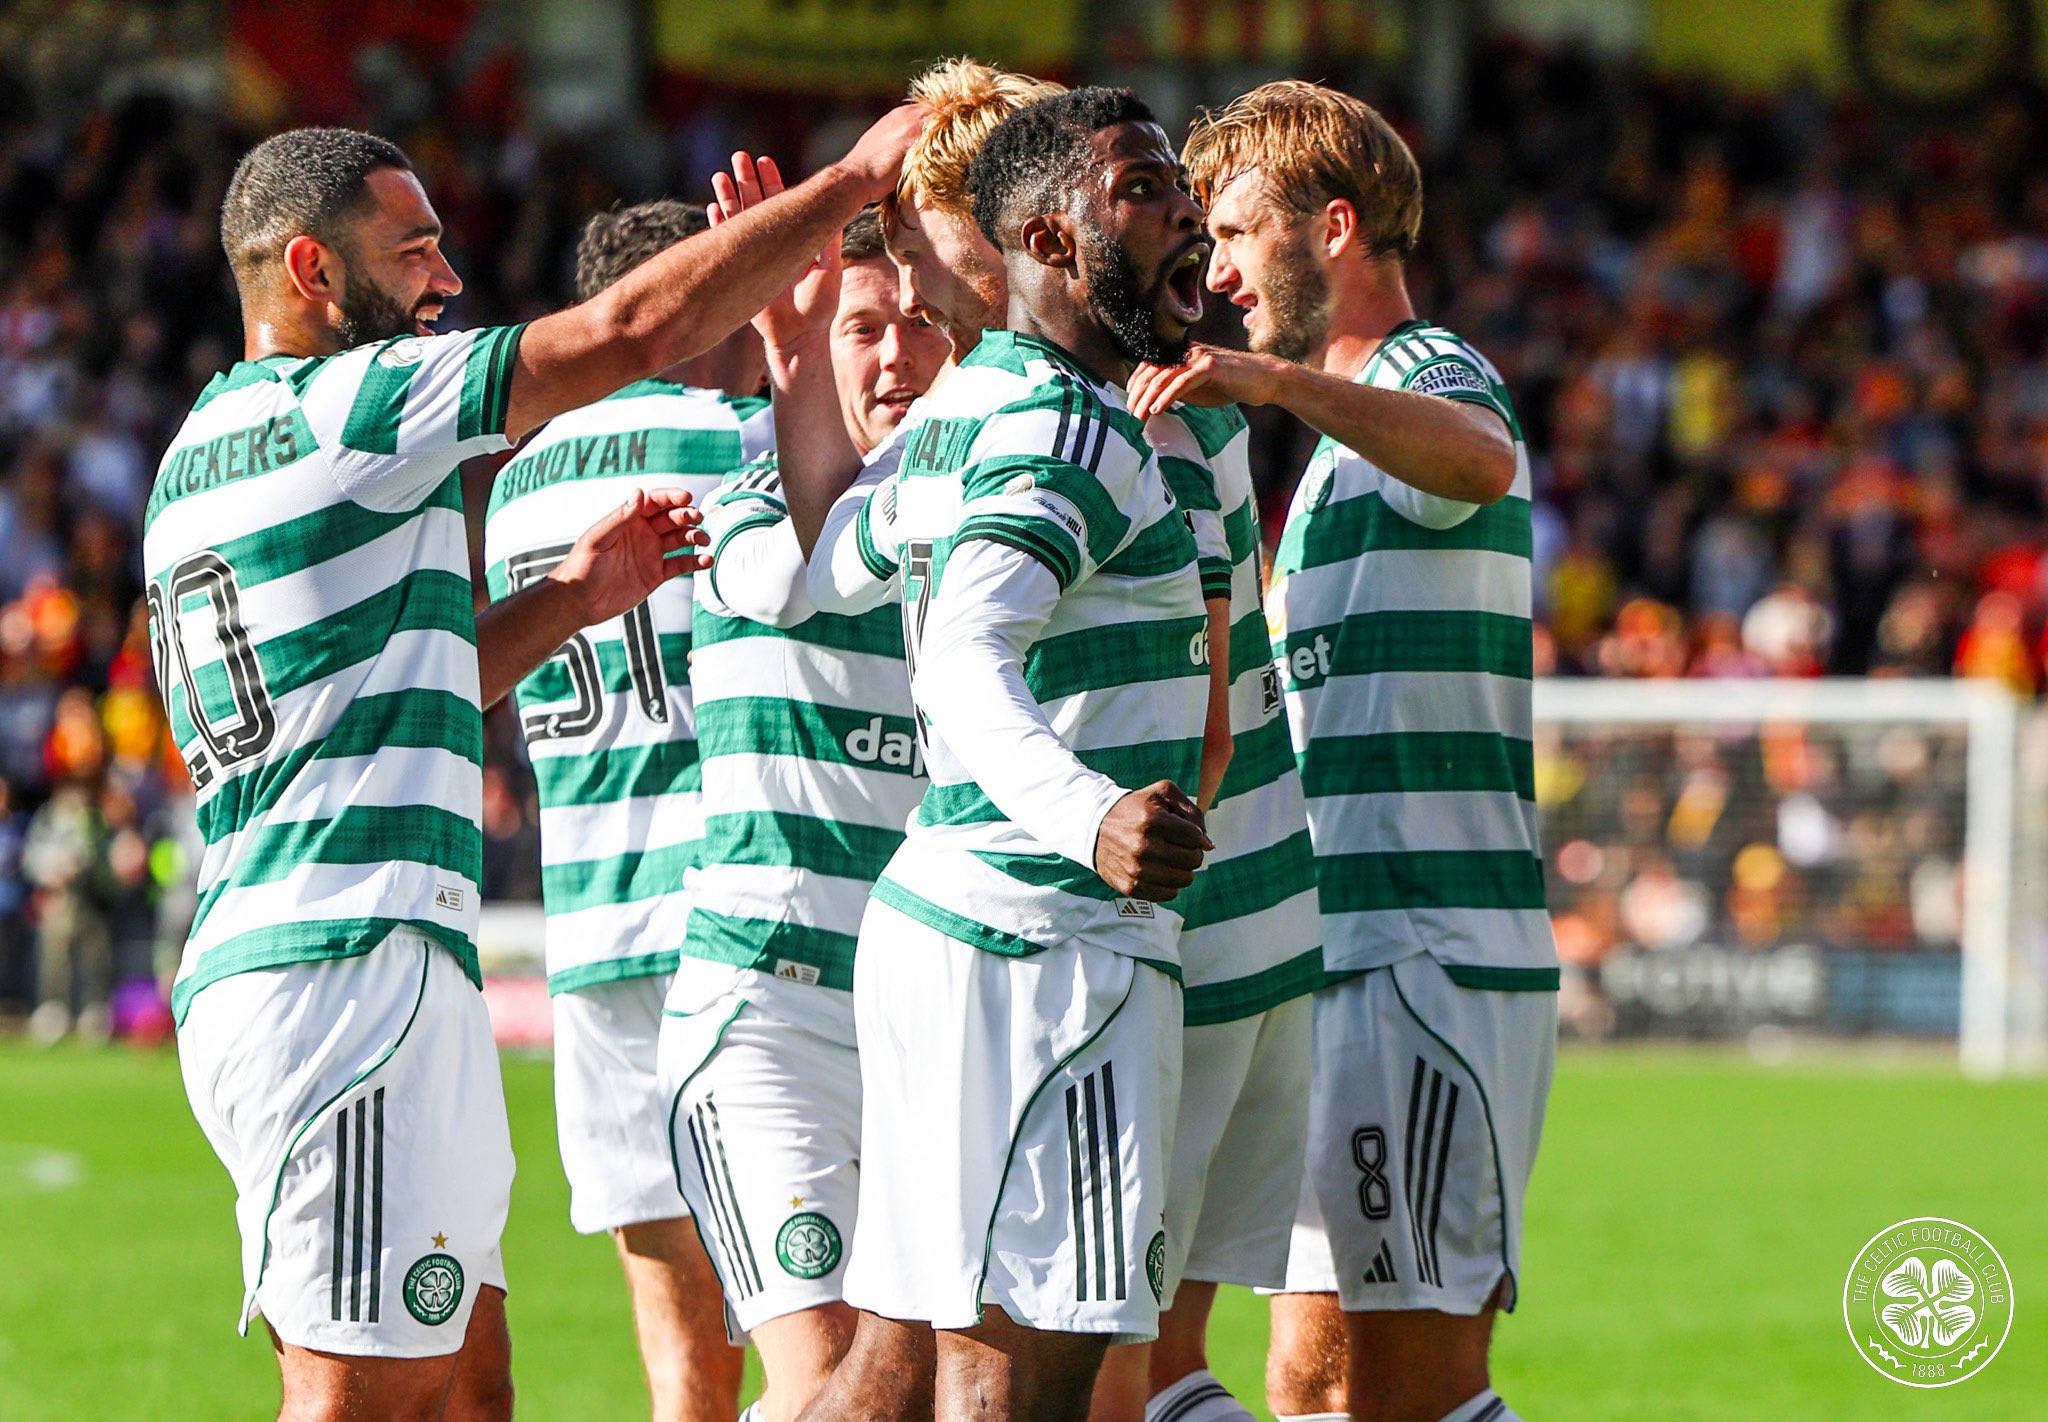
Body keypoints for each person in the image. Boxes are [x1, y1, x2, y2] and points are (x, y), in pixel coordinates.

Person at [145, 111, 921, 1422]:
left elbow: (395, 691)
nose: (447, 280)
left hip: (324, 951)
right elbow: (623, 332)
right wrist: (848, 184)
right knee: (357, 1398)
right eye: (413, 251)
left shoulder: (201, 448)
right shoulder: (347, 403)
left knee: (469, 1388)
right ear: (311, 271)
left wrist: (568, 598)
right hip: (349, 962)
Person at [810, 64, 1323, 1422]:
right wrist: (1090, 815)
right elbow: (962, 658)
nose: (1188, 219)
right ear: (1047, 240)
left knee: (917, 1366)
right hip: (1043, 950)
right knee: (1023, 1387)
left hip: (955, 928)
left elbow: (829, 566)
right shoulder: (1070, 425)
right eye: (1147, 193)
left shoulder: (964, 408)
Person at [1128, 81, 1560, 1422]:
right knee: (1311, 1384)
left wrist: (1266, 383)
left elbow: (1481, 460)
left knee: (1407, 1393)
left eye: (1235, 232)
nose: (1217, 274)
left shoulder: (1428, 370)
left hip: (1425, 956)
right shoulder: (1327, 454)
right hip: (1343, 956)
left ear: (1331, 226)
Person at [478, 199, 775, 1422]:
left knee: (680, 1356)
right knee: (824, 1330)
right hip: (745, 909)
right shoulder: (749, 442)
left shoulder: (512, 488)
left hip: (593, 927)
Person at [656, 205, 948, 1422]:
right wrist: (787, 385)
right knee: (829, 1380)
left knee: (912, 1393)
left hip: (929, 1020)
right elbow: (788, 581)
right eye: (861, 327)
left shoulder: (986, 510)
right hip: (766, 1017)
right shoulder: (742, 487)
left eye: (921, 325)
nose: (895, 355)